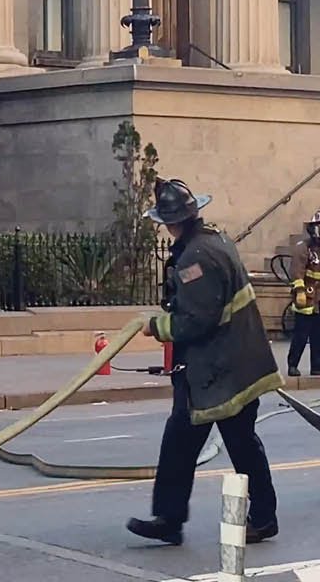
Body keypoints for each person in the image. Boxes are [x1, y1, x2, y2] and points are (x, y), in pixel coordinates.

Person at [126, 178, 283, 545]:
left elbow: (197, 319)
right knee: (186, 440)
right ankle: (169, 518)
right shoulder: (213, 240)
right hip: (220, 368)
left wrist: (156, 326)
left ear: (172, 221)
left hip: (222, 372)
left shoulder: (195, 257)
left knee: (238, 443)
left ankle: (260, 517)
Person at [286, 210, 320, 376]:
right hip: (306, 299)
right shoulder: (304, 248)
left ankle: (317, 367)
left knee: (318, 337)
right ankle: (293, 365)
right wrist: (299, 291)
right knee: (300, 335)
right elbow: (297, 271)